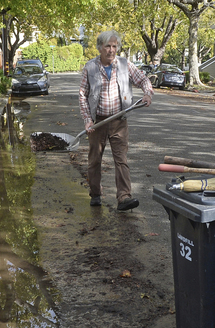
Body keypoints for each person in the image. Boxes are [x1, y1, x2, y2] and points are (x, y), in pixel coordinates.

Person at [79, 30, 153, 211]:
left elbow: (143, 80)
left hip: (119, 120)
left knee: (121, 160)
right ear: (99, 48)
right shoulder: (90, 68)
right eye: (107, 46)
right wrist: (88, 120)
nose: (111, 50)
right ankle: (95, 194)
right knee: (94, 160)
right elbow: (83, 95)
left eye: (114, 46)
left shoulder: (125, 64)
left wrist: (147, 93)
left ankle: (124, 197)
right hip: (97, 123)